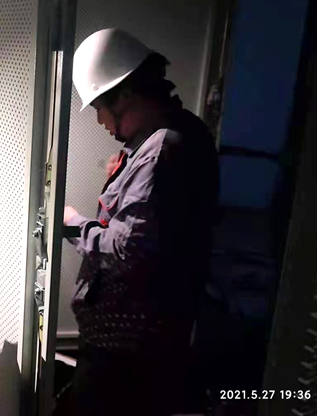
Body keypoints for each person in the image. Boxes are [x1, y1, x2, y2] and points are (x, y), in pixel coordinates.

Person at [62, 29, 219, 415]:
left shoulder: (161, 151)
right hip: (137, 354)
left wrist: (73, 223)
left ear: (126, 95)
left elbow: (127, 251)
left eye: (98, 106)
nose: (98, 119)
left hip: (125, 359)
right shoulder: (176, 135)